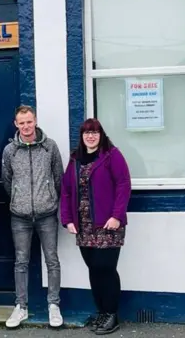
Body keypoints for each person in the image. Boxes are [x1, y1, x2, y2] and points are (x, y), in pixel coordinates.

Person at [60, 118, 131, 335]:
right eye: (86, 133)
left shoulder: (112, 155)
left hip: (108, 223)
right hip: (83, 225)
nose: (90, 136)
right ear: (81, 137)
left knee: (106, 269)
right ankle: (101, 311)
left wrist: (117, 216)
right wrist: (68, 219)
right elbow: (66, 190)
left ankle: (111, 314)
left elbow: (123, 184)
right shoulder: (75, 159)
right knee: (93, 269)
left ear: (101, 135)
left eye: (95, 133)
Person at [2, 105, 64, 329]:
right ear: (16, 124)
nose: (26, 126)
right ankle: (21, 306)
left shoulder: (50, 147)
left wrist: (47, 198)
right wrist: (19, 199)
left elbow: (59, 178)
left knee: (52, 260)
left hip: (47, 214)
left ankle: (54, 305)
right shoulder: (10, 150)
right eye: (22, 122)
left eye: (29, 121)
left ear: (35, 121)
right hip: (19, 216)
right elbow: (7, 181)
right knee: (21, 262)